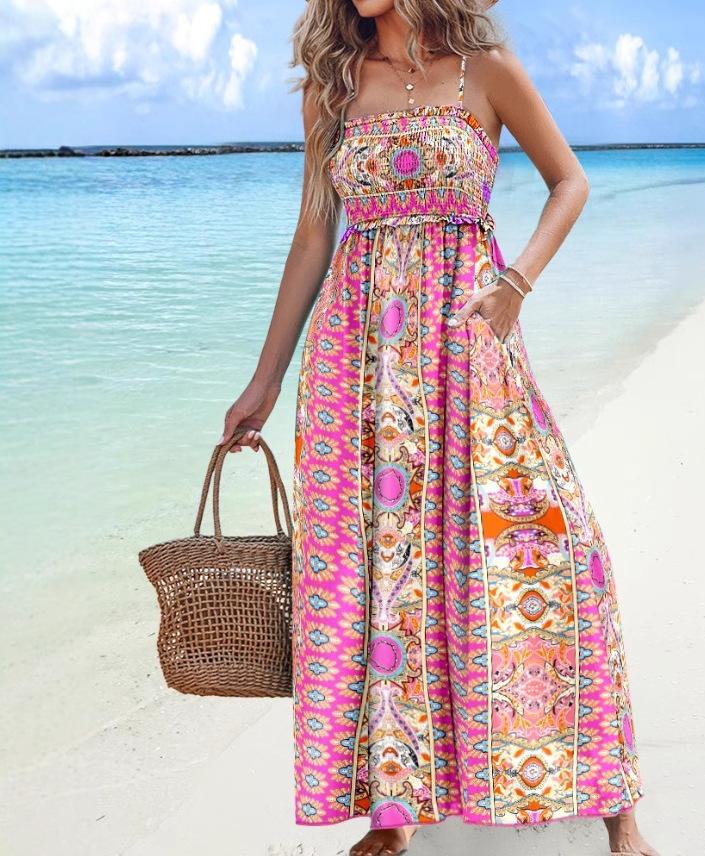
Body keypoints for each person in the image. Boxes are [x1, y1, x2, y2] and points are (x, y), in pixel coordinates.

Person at [218, 2, 657, 854]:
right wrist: (264, 380)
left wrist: (515, 284)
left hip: (468, 346)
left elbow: (570, 182)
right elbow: (313, 237)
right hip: (354, 365)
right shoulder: (331, 87)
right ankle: (394, 814)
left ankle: (617, 801)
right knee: (375, 575)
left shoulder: (483, 69)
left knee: (554, 547)